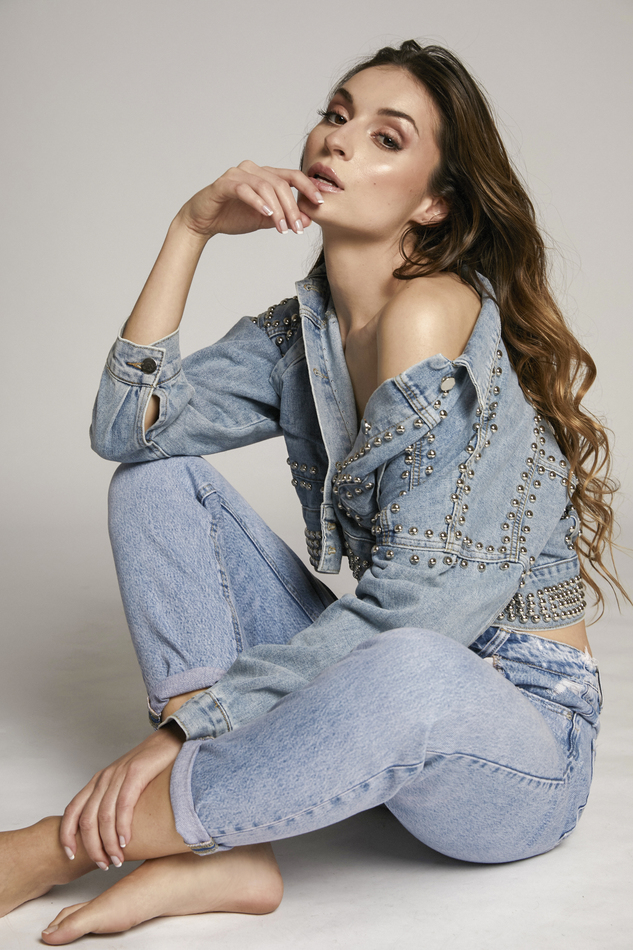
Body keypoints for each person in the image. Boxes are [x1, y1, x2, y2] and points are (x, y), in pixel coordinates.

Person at [0, 40, 625, 945]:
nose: (337, 140)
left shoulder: (433, 318)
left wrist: (185, 731)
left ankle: (50, 849)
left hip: (517, 747)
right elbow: (128, 429)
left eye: (385, 138)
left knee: (410, 664)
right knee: (155, 481)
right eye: (336, 116)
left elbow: (421, 617)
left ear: (433, 202)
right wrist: (190, 228)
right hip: (382, 684)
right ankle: (224, 851)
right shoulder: (306, 333)